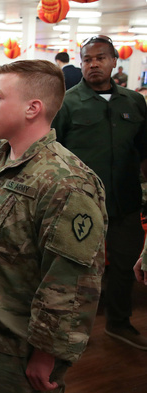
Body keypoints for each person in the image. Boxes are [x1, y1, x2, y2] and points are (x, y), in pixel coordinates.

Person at [0, 60, 108, 393]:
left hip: (20, 353)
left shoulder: (68, 182)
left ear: (33, 108)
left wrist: (46, 354)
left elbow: (70, 282)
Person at [52, 34, 147, 351]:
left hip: (125, 201)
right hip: (81, 203)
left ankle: (119, 323)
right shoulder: (67, 103)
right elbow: (53, 152)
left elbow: (143, 152)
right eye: (87, 59)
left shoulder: (133, 102)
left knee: (123, 266)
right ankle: (67, 331)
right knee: (74, 268)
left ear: (113, 61)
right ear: (81, 64)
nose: (93, 64)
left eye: (100, 58)